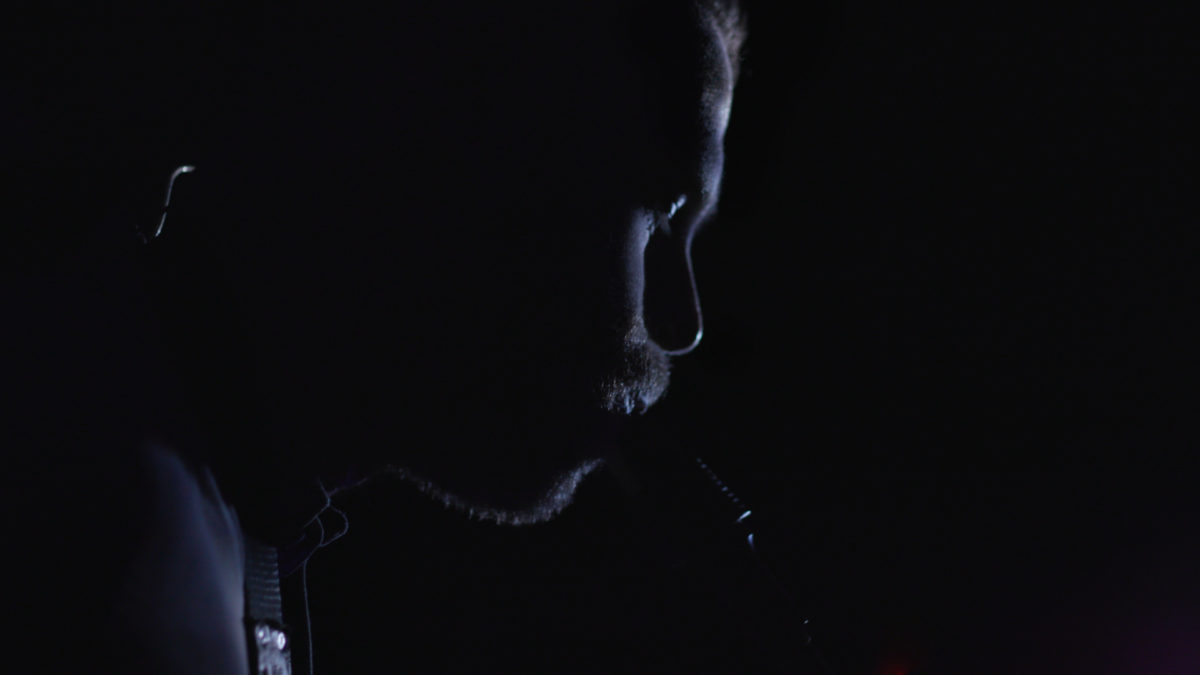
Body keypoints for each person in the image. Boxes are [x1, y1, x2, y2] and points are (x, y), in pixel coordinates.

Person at [5, 1, 749, 672]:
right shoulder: (111, 540)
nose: (684, 324)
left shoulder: (196, 477)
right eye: (662, 208)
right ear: (474, 131)